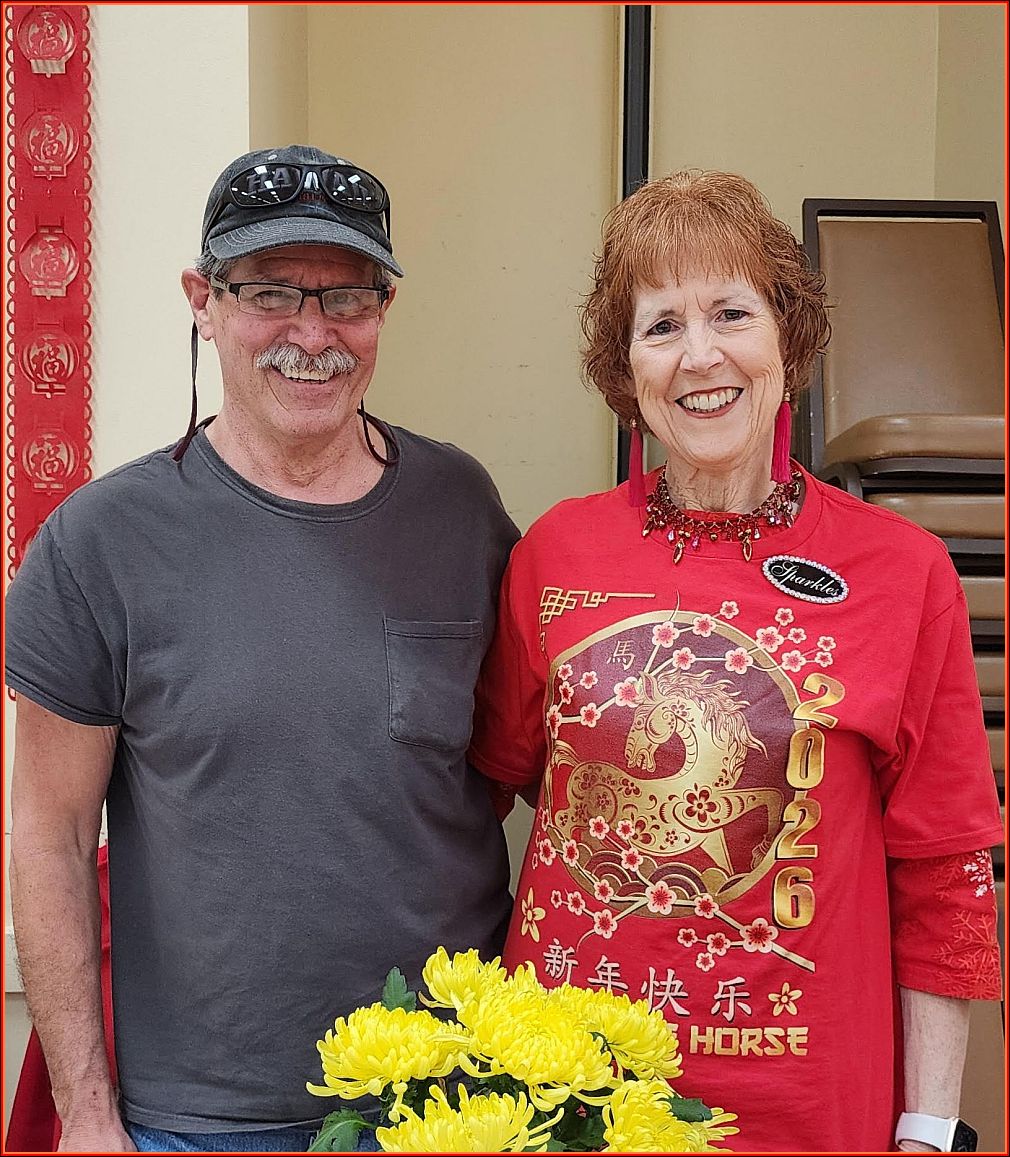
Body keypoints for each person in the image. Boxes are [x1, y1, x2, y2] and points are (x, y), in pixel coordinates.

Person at [469, 170, 1003, 1154]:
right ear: (625, 369)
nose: (699, 354)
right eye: (661, 325)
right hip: (566, 1098)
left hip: (804, 1107)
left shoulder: (901, 570)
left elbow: (944, 868)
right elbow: (499, 784)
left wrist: (928, 1127)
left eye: (730, 313)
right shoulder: (554, 553)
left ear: (786, 340)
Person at [6, 144, 519, 1153]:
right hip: (199, 1121)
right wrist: (89, 1113)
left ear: (384, 309)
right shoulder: (100, 541)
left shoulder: (461, 508)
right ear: (203, 300)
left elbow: (520, 765)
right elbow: (49, 836)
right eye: (270, 292)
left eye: (347, 297)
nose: (311, 334)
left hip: (454, 1104)